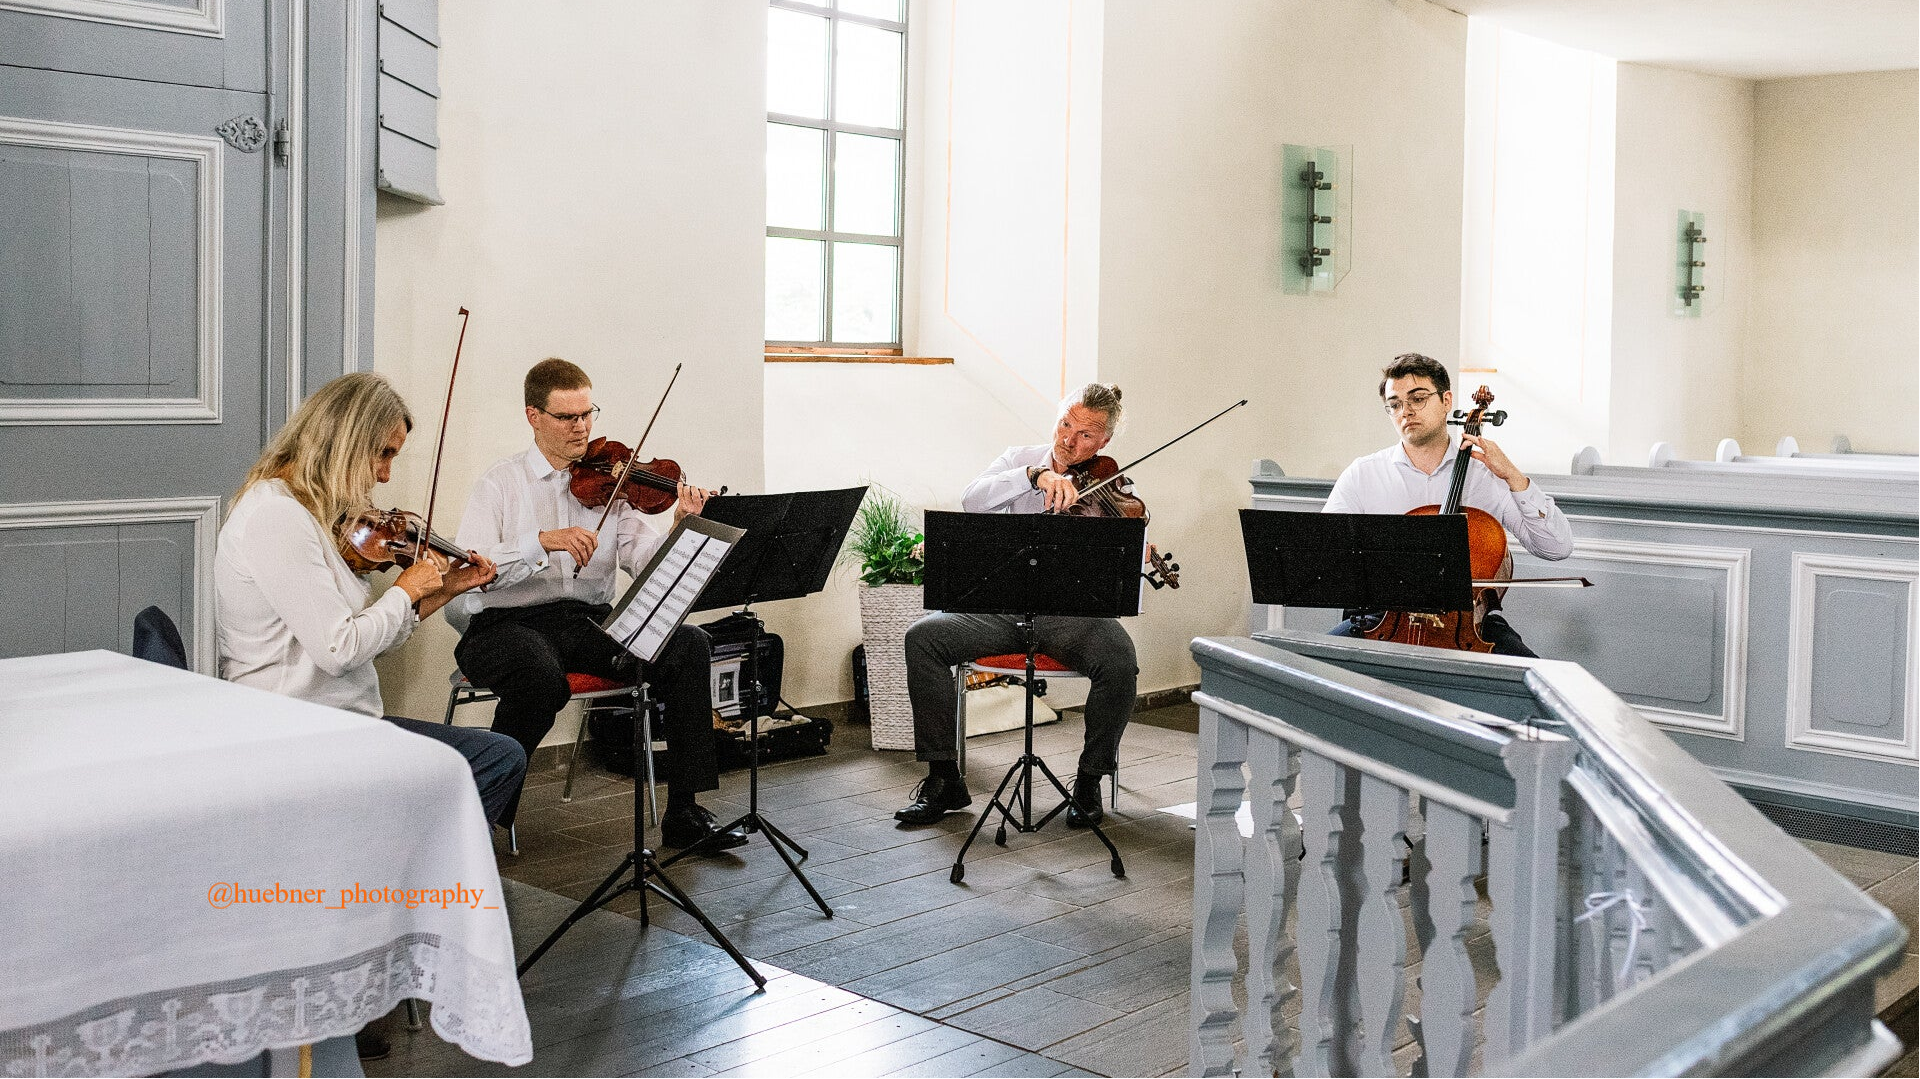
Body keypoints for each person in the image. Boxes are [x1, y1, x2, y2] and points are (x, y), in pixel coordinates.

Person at [451, 358, 744, 851]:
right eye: (567, 417)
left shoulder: (616, 483)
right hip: (502, 624)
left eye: (588, 414)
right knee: (540, 677)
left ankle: (685, 812)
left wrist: (681, 527)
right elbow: (469, 573)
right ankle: (479, 819)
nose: (582, 427)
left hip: (584, 623)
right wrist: (542, 541)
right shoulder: (500, 483)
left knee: (688, 644)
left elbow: (646, 564)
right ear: (534, 416)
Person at [214, 371, 526, 828]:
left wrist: (444, 589)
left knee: (498, 755)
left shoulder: (312, 512)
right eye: (383, 454)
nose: (385, 475)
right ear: (343, 440)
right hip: (297, 731)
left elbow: (368, 639)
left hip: (338, 722)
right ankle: (401, 877)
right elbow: (341, 649)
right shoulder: (277, 516)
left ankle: (400, 870)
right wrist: (405, 589)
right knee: (493, 760)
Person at [894, 383, 1142, 828]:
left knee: (1120, 661)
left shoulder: (1113, 485)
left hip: (1070, 616)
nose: (1069, 440)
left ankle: (1089, 782)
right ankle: (943, 779)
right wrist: (1034, 475)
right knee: (923, 638)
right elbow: (972, 498)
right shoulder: (1016, 460)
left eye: (1086, 435)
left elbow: (1121, 553)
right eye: (1066, 424)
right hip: (1003, 608)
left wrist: (1132, 549)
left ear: (1104, 442)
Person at [1322, 352, 1574, 656]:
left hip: (1468, 626)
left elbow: (1557, 547)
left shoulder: (1488, 477)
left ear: (1446, 401)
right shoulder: (1363, 474)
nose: (1406, 411)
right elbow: (1327, 558)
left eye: (1418, 399)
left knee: (1535, 681)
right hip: (1382, 620)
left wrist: (1512, 475)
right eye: (1395, 404)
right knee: (1314, 665)